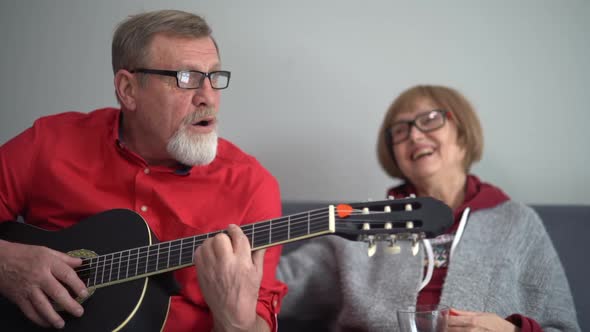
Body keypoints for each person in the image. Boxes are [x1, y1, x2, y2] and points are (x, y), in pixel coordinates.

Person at [0, 9, 286, 332]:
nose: (208, 98)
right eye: (187, 78)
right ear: (128, 90)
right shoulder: (50, 143)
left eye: (214, 77)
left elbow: (258, 322)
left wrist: (235, 320)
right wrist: (7, 264)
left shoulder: (253, 187)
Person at [277, 85, 580, 331]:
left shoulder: (518, 222)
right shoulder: (359, 224)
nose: (415, 135)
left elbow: (563, 326)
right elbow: (275, 286)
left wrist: (513, 331)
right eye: (400, 130)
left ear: (462, 134)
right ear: (394, 153)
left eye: (430, 119)